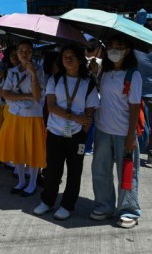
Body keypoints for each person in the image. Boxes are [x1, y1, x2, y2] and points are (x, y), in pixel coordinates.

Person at [33, 45, 99, 220]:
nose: (68, 59)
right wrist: (75, 117)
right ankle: (47, 201)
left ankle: (68, 205)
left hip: (77, 134)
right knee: (52, 169)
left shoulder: (89, 81)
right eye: (64, 57)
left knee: (75, 170)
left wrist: (84, 128)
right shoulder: (55, 80)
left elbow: (91, 107)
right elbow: (52, 106)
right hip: (55, 131)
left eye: (72, 56)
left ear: (80, 59)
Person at [90, 35, 142, 229]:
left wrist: (131, 136)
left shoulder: (133, 74)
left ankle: (129, 210)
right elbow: (101, 95)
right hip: (103, 129)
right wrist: (96, 75)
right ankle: (104, 206)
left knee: (128, 172)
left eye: (119, 47)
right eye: (111, 46)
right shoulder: (104, 71)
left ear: (127, 50)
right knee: (100, 170)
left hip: (123, 132)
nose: (114, 50)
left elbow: (135, 106)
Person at [0, 40, 47, 197]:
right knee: (17, 147)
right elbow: (5, 93)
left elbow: (37, 96)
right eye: (21, 51)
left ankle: (32, 183)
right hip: (16, 115)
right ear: (16, 53)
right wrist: (26, 96)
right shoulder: (13, 71)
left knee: (33, 149)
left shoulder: (39, 70)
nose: (24, 54)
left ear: (32, 53)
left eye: (28, 51)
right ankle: (21, 181)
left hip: (33, 116)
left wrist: (32, 74)